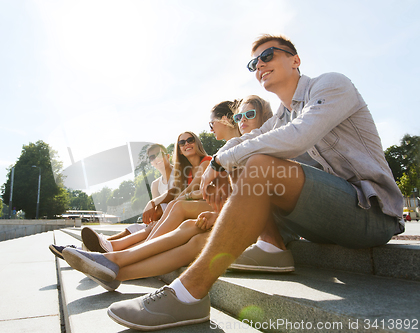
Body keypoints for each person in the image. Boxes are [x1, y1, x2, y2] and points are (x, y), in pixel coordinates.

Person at [106, 34, 404, 331]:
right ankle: (271, 247)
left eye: (268, 55)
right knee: (248, 159)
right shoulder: (283, 116)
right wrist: (221, 166)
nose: (259, 65)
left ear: (295, 60)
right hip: (325, 221)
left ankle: (187, 294)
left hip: (371, 213)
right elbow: (251, 139)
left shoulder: (331, 85)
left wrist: (222, 163)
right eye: (253, 63)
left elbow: (299, 135)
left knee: (257, 161)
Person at [61, 98, 273, 291]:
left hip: (253, 226)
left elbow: (253, 199)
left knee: (184, 222)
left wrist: (216, 213)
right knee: (186, 225)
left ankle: (112, 259)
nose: (242, 121)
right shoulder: (234, 150)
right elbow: (234, 196)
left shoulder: (253, 151)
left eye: (249, 116)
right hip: (234, 217)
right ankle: (112, 265)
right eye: (239, 117)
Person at [48, 143, 175, 258]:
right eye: (151, 157)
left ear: (167, 156)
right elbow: (154, 212)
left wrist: (152, 202)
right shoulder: (155, 184)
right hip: (158, 221)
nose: (155, 159)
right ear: (150, 162)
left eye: (158, 154)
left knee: (150, 222)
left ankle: (90, 250)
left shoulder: (178, 173)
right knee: (129, 230)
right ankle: (84, 249)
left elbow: (175, 192)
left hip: (173, 219)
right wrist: (153, 206)